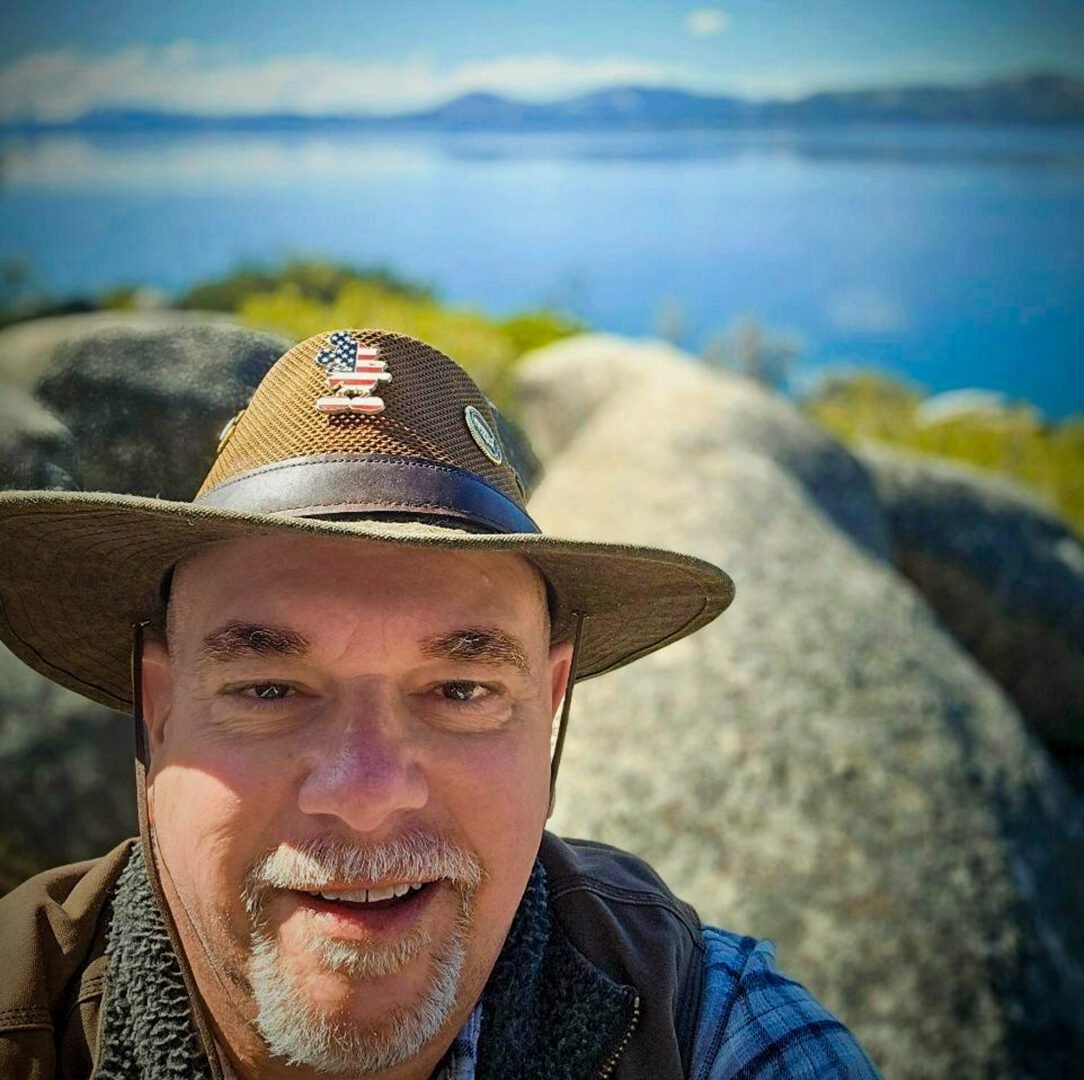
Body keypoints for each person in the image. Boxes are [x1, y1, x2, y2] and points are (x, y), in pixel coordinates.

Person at [0, 328, 882, 1078]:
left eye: (461, 689)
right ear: (157, 709)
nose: (365, 790)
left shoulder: (709, 1030)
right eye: (268, 688)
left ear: (549, 706)